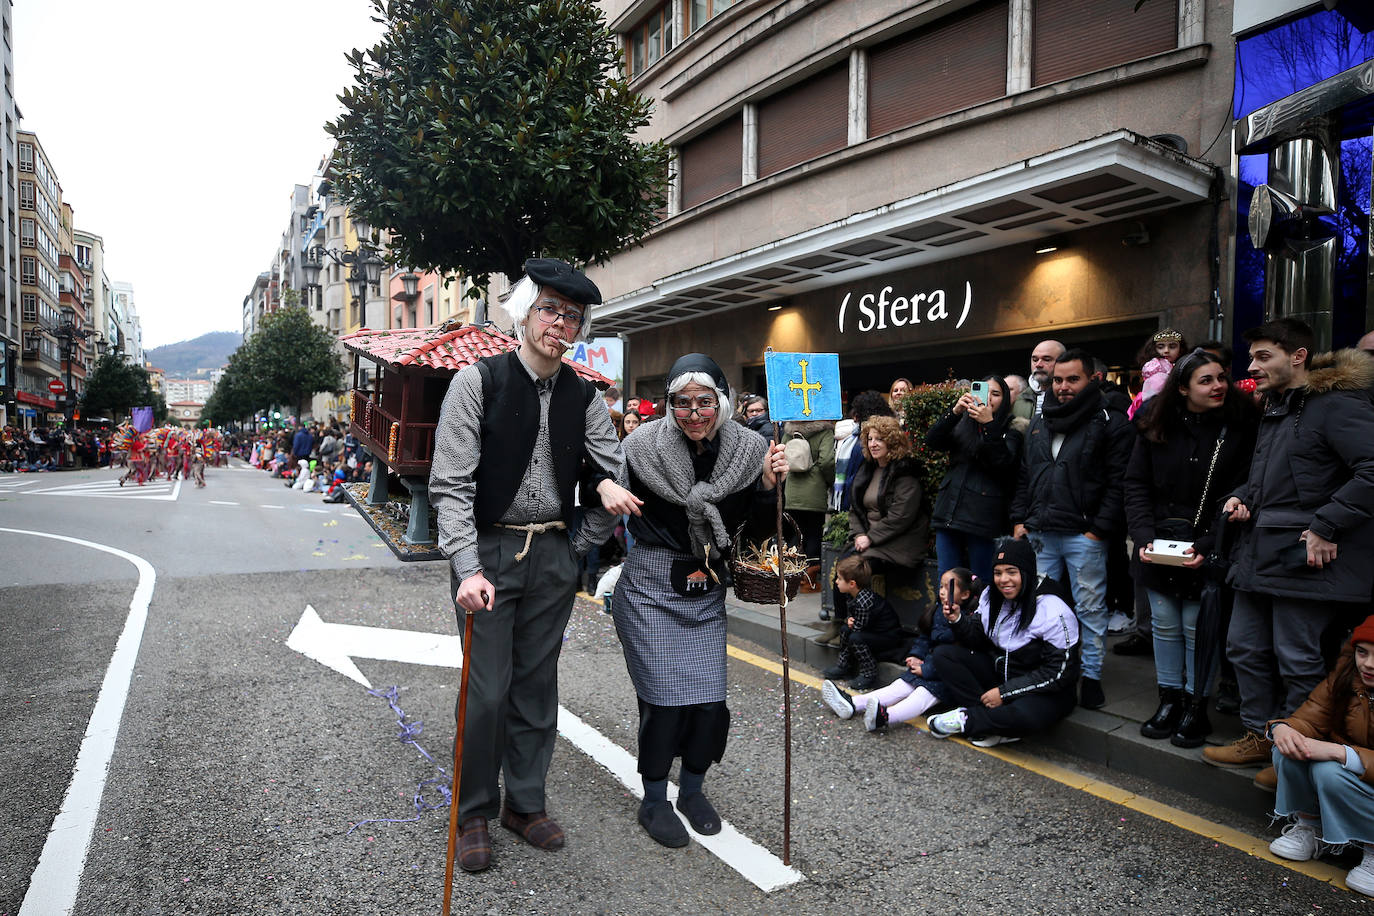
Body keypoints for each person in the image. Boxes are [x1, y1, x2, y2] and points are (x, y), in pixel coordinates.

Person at [429, 258, 640, 874]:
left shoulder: (585, 395)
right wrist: (466, 566)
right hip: (488, 554)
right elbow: (450, 483)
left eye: (572, 316)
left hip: (551, 551)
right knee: (487, 691)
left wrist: (580, 536)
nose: (560, 324)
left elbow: (612, 474)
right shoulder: (479, 382)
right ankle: (472, 811)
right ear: (526, 312)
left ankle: (524, 804)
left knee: (536, 687)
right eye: (549, 310)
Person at [611, 352, 786, 849]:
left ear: (722, 402)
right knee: (664, 703)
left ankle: (691, 789)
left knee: (709, 702)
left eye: (704, 401)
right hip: (649, 586)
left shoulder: (750, 448)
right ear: (668, 405)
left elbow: (753, 527)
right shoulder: (639, 446)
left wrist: (770, 487)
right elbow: (604, 502)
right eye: (681, 402)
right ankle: (653, 799)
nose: (693, 412)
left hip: (705, 584)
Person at [1204, 318, 1374, 780]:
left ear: (1297, 356)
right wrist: (1241, 497)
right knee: (1243, 649)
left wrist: (1326, 525)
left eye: (1264, 357)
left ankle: (1295, 756)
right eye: (1252, 357)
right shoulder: (1279, 406)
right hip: (1261, 553)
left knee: (1296, 659)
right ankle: (1263, 738)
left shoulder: (1335, 404)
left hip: (1305, 557)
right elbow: (1274, 480)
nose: (1252, 367)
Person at [1124, 349, 1257, 747]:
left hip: (1210, 544)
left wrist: (1206, 542)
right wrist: (1143, 536)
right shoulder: (1154, 424)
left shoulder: (1242, 425)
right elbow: (1136, 485)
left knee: (1198, 627)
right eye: (1206, 380)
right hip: (1157, 542)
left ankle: (1197, 706)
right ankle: (1170, 700)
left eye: (1221, 377)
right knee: (1164, 625)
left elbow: (1244, 486)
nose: (1218, 385)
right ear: (1182, 389)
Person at [1011, 347, 1135, 709]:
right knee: (1041, 607)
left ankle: (1091, 677)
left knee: (1090, 610)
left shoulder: (1111, 421)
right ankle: (1048, 671)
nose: (1063, 387)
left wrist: (1098, 530)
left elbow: (1119, 481)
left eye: (1072, 379)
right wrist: (1021, 520)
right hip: (1040, 532)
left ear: (1091, 380)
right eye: (1059, 380)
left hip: (1084, 535)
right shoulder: (1039, 420)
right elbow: (1025, 475)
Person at [926, 538, 1080, 746]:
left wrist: (1005, 693)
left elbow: (1058, 673)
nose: (1003, 580)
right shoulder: (991, 596)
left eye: (1011, 572)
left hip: (1040, 691)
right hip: (1000, 678)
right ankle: (992, 721)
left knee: (1027, 715)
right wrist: (958, 620)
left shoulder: (1053, 608)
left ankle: (970, 721)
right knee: (944, 655)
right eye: (998, 573)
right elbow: (977, 640)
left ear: (1026, 572)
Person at [1265, 615, 1374, 898]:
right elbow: (1310, 718)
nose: (1369, 664)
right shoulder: (1347, 673)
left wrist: (1341, 753)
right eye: (1363, 652)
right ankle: (1311, 828)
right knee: (1289, 749)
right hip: (1357, 774)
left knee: (1329, 771)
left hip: (1355, 773)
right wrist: (1282, 728)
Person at [822, 566, 975, 731]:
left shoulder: (967, 621)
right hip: (927, 666)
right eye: (941, 587)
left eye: (948, 588)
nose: (943, 591)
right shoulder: (938, 610)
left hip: (944, 677)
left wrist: (926, 670)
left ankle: (885, 717)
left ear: (965, 594)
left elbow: (955, 656)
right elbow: (924, 638)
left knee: (921, 696)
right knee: (899, 686)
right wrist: (916, 655)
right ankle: (853, 703)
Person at [832, 415, 929, 631]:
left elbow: (901, 516)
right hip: (869, 540)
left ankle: (856, 627)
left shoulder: (905, 471)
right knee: (844, 568)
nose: (873, 444)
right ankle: (841, 623)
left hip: (897, 543)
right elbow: (856, 509)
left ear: (892, 441)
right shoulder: (868, 468)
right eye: (870, 439)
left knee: (852, 572)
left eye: (880, 439)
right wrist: (858, 535)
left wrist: (870, 538)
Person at [925, 375, 1025, 583]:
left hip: (983, 520)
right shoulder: (963, 424)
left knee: (982, 584)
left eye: (995, 394)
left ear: (1005, 400)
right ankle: (950, 617)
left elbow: (1003, 464)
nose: (988, 398)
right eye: (983, 391)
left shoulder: (1012, 429)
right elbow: (932, 441)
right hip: (948, 515)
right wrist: (954, 413)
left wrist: (989, 425)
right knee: (948, 581)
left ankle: (979, 617)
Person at [821, 555, 905, 690]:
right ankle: (844, 665)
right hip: (872, 630)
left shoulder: (863, 602)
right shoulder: (853, 595)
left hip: (888, 636)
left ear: (852, 584)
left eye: (840, 579)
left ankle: (869, 673)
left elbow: (859, 628)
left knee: (855, 637)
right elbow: (855, 621)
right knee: (844, 630)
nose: (836, 582)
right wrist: (849, 621)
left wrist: (851, 623)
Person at [782, 414, 835, 593]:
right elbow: (827, 460)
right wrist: (829, 481)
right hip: (814, 491)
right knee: (812, 534)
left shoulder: (789, 430)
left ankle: (790, 578)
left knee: (794, 535)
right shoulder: (825, 431)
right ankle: (808, 582)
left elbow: (782, 456)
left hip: (791, 490)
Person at [1129, 328, 1188, 420]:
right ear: (1154, 348)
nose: (1166, 350)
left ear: (1180, 349)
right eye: (1161, 347)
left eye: (1172, 346)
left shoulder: (1181, 366)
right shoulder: (1155, 367)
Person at [1012, 339, 1066, 419]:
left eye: (1046, 359)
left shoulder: (1070, 396)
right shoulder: (1021, 399)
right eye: (1035, 360)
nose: (1038, 365)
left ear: (1063, 362)